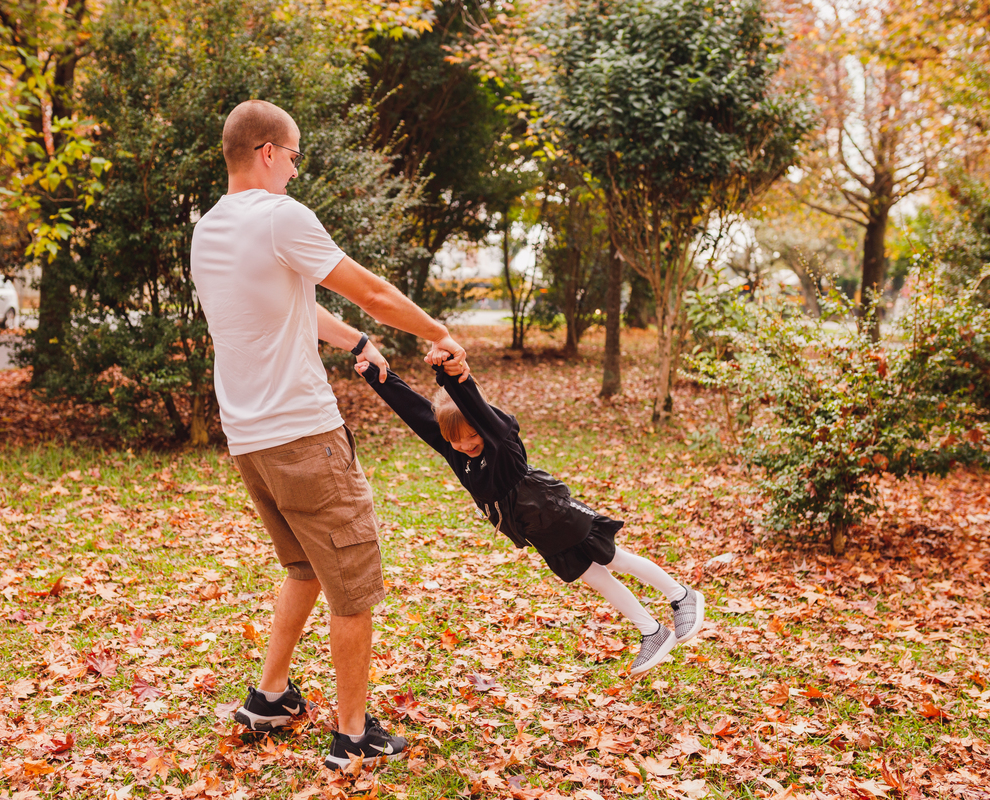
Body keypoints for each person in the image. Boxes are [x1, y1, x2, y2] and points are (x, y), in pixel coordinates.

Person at [189, 99, 469, 771]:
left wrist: (357, 341)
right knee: (352, 584)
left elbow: (291, 300)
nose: (294, 169)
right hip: (304, 435)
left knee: (305, 568)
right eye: (293, 155)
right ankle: (352, 736)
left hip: (251, 438)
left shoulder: (209, 229)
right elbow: (370, 289)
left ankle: (270, 697)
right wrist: (437, 334)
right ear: (266, 152)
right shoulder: (281, 216)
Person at [356, 358, 705, 675]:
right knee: (594, 577)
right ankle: (652, 631)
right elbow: (415, 411)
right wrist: (377, 377)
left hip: (550, 507)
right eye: (457, 441)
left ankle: (681, 594)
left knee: (614, 558)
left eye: (473, 434)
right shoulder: (452, 447)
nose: (466, 445)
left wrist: (452, 378)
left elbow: (484, 415)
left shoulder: (501, 442)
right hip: (533, 527)